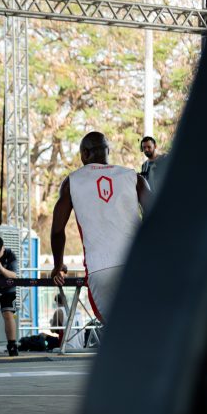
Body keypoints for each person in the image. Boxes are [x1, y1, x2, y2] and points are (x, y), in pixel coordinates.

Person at [51, 131, 150, 324]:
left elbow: (57, 231)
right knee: (143, 324)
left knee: (117, 329)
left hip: (100, 267)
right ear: (107, 151)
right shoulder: (133, 177)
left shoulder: (72, 182)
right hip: (136, 262)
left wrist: (58, 266)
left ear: (85, 154)